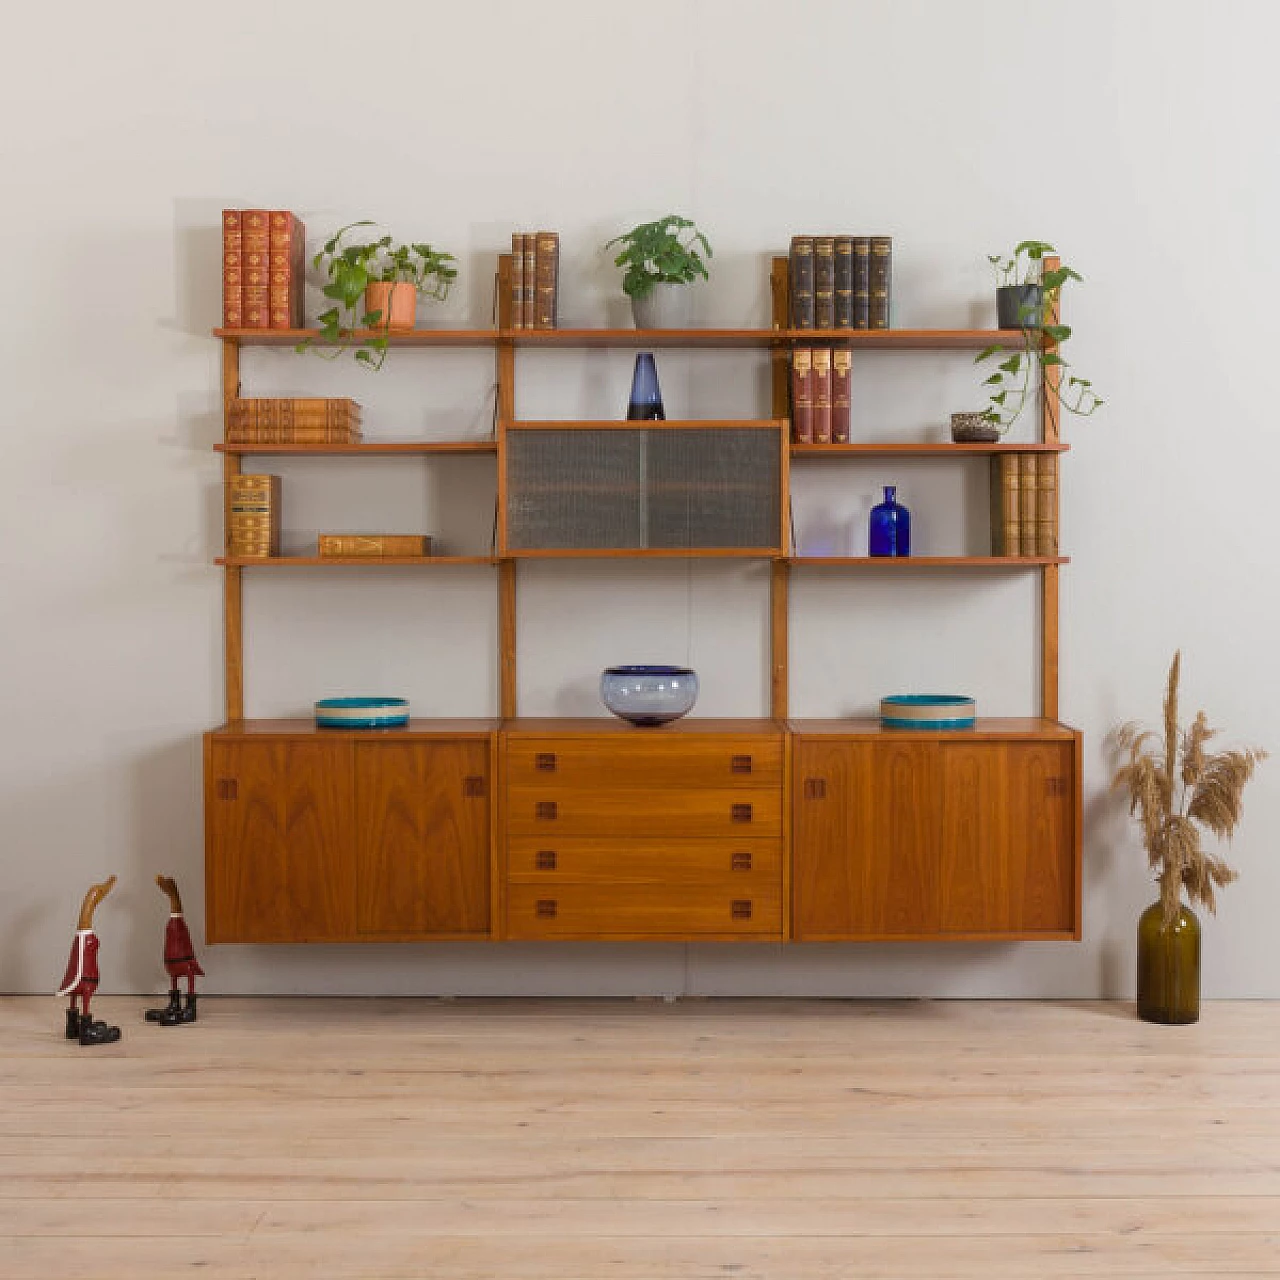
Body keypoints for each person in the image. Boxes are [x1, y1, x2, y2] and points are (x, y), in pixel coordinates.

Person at [57, 876, 121, 1046]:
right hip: (85, 979)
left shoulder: (79, 939)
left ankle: (72, 1027)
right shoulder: (86, 938)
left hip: (77, 978)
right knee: (84, 996)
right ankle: (86, 1031)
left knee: (75, 995)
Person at [145, 875, 205, 1025]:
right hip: (172, 962)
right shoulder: (173, 923)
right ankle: (175, 1005)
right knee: (174, 978)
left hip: (183, 961)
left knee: (187, 977)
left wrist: (191, 960)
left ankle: (190, 1010)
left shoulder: (181, 926)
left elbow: (186, 943)